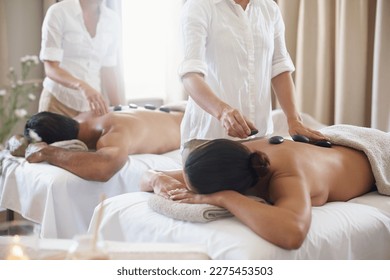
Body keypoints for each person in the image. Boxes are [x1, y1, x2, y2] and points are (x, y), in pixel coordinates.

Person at [140, 136, 376, 249]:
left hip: (371, 152)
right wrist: (157, 178)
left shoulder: (286, 176)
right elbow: (146, 176)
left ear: (232, 186)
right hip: (332, 147)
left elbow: (292, 233)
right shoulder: (240, 157)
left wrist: (224, 198)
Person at [178, 0, 326, 145]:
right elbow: (190, 74)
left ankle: (173, 172)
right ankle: (171, 171)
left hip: (260, 138)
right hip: (207, 138)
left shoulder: (269, 9)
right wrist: (222, 112)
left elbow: (279, 67)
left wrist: (294, 120)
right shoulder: (199, 6)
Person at [24, 109, 183, 182]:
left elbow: (104, 167)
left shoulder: (112, 135)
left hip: (195, 125)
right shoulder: (84, 117)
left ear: (65, 144)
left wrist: (48, 152)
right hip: (173, 112)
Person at [39, 0, 122, 117]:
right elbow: (51, 68)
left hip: (92, 108)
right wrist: (82, 86)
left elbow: (108, 69)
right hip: (58, 102)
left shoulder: (113, 20)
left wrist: (121, 110)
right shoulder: (59, 11)